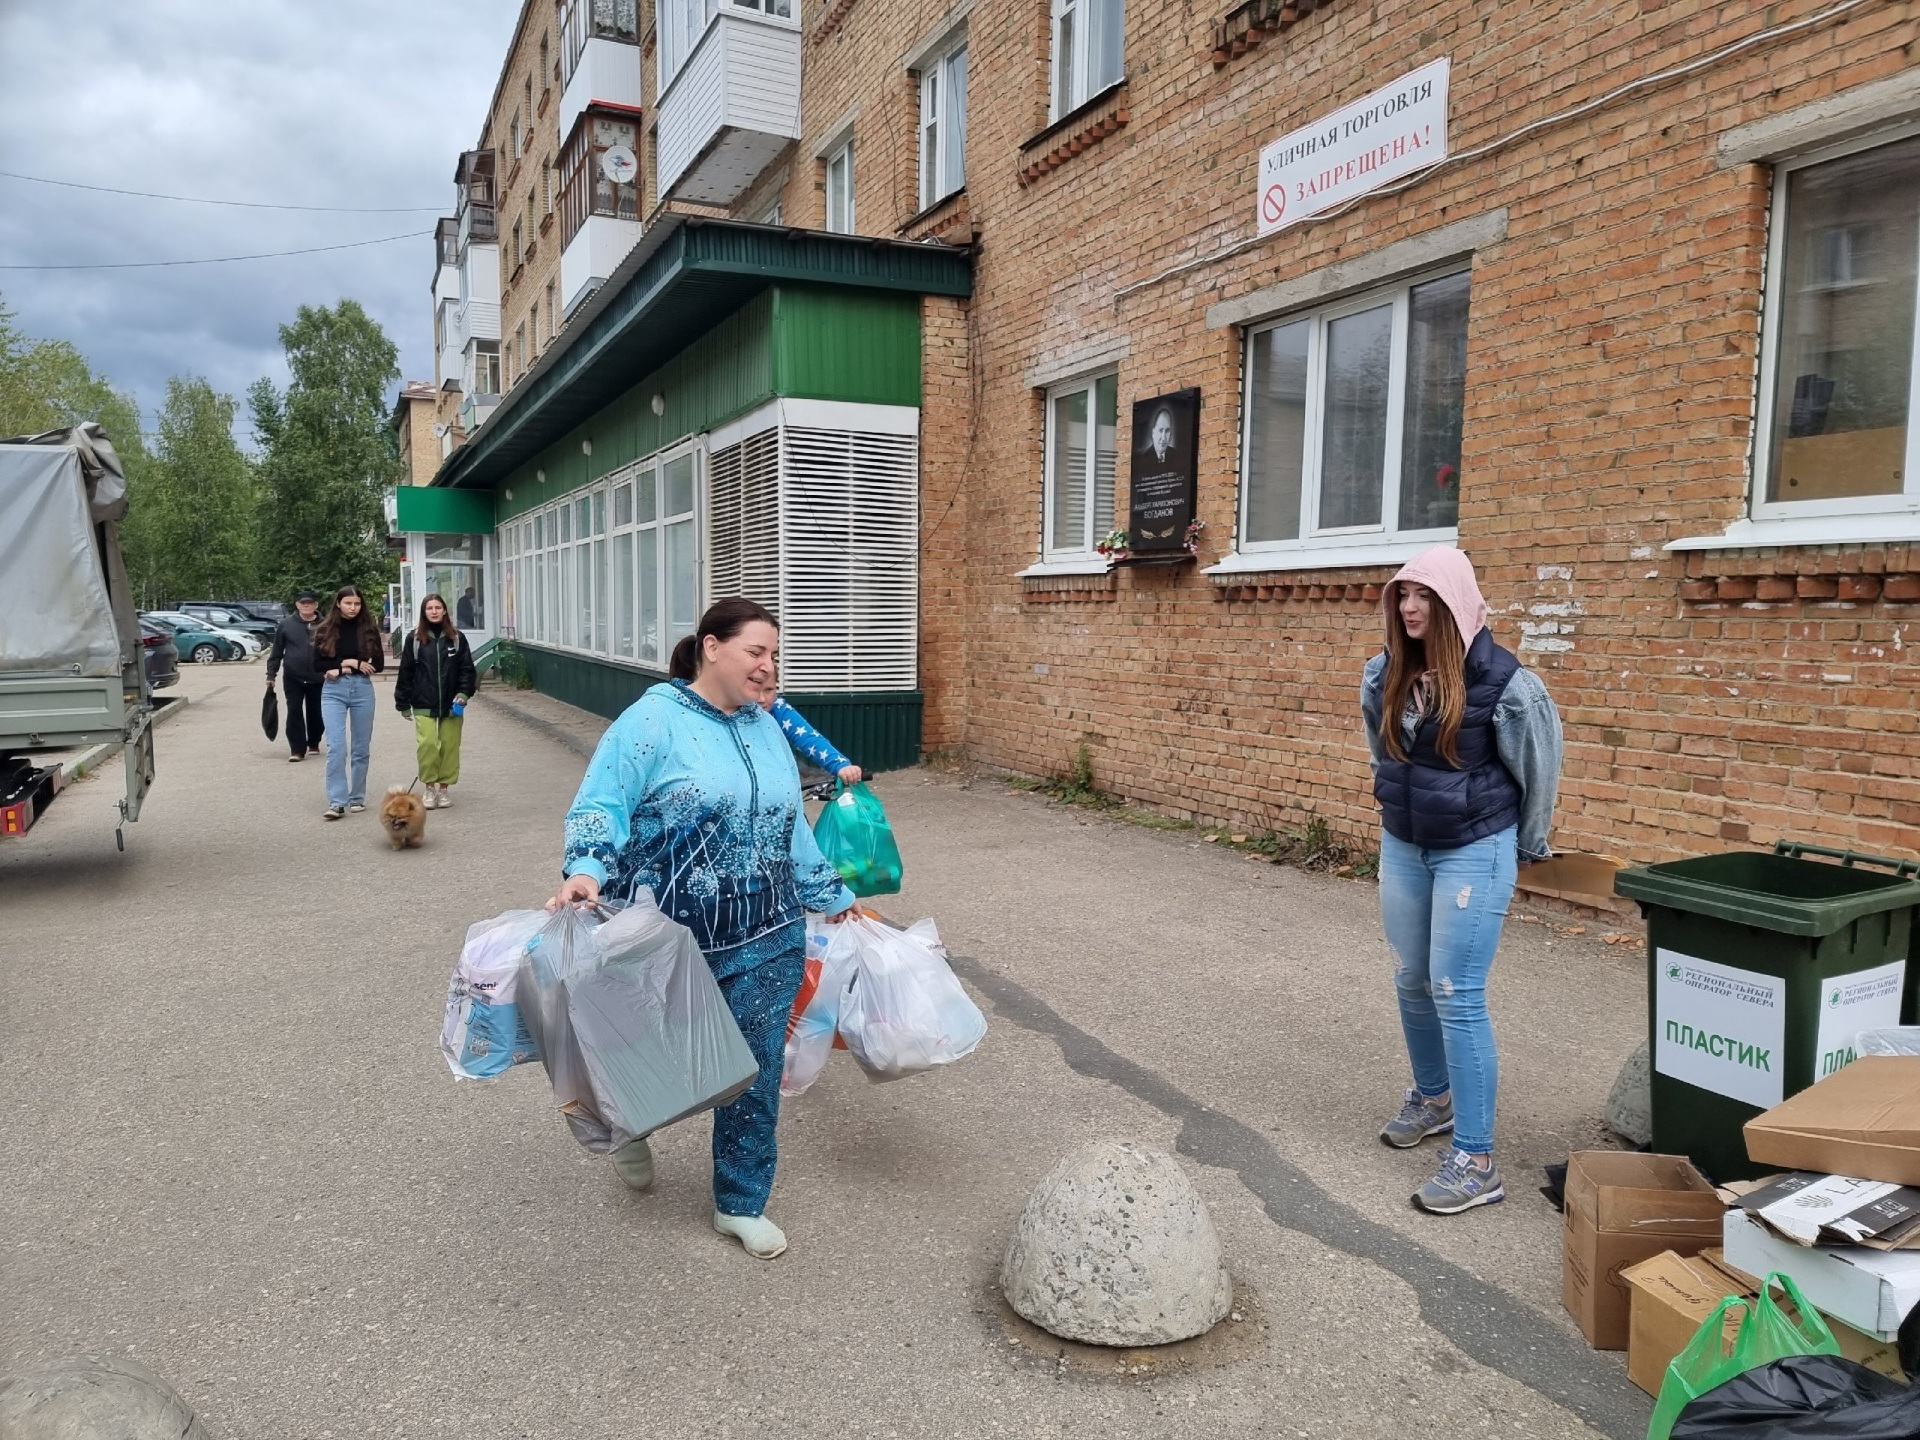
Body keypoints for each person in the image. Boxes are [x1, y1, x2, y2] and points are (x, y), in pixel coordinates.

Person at [549, 598, 855, 1260]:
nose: (768, 666)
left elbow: (788, 823)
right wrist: (587, 870)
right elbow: (603, 803)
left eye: (775, 654)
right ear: (712, 648)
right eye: (756, 651)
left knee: (754, 1067)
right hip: (666, 931)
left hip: (768, 928)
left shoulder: (767, 726)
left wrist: (830, 893)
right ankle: (631, 1128)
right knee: (645, 1049)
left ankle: (739, 1202)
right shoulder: (651, 721)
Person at [1361, 546, 1562, 1216]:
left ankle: (1477, 1161)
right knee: (1409, 978)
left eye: (1425, 597)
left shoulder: (1508, 686)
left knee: (1456, 991)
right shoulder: (1383, 672)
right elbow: (1382, 747)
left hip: (1476, 847)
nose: (1411, 609)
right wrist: (1394, 801)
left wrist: (1527, 846)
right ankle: (1434, 1097)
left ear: (1454, 603)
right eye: (1403, 596)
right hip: (1405, 843)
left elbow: (1539, 772)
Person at [394, 593, 477, 811]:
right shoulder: (414, 639)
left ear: (444, 610)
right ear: (424, 612)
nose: (434, 611)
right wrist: (402, 703)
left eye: (438, 607)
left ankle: (444, 789)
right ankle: (429, 787)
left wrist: (463, 693)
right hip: (423, 702)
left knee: (450, 747)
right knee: (428, 745)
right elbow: (406, 672)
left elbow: (467, 670)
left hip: (452, 703)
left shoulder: (457, 638)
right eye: (429, 608)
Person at [312, 585, 386, 819]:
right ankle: (337, 802)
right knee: (336, 746)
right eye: (348, 603)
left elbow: (379, 665)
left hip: (362, 689)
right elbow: (317, 665)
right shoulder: (326, 628)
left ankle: (357, 797)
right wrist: (349, 663)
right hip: (333, 691)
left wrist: (341, 666)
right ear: (338, 604)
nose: (353, 608)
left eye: (357, 604)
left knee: (360, 748)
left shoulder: (369, 628)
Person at [752, 677, 862, 785]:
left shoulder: (777, 708)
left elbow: (809, 738)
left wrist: (840, 765)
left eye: (769, 690)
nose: (762, 699)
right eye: (754, 689)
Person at [267, 590, 325, 762]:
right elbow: (276, 651)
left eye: (310, 603)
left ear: (316, 605)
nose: (306, 606)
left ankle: (314, 742)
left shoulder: (326, 624)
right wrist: (271, 674)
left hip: (319, 677)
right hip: (293, 677)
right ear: (297, 605)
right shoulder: (286, 625)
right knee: (294, 711)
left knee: (316, 711)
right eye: (303, 603)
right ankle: (297, 749)